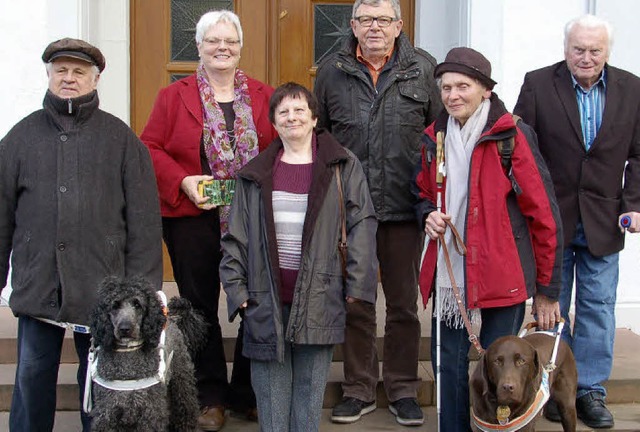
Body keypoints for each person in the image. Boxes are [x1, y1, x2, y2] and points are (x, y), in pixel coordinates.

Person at [0, 38, 162, 432]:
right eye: (61, 71)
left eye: (78, 72)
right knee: (32, 377)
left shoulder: (121, 140)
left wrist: (143, 288)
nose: (69, 79)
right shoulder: (19, 139)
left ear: (95, 79)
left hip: (101, 290)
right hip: (39, 285)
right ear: (49, 75)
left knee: (100, 384)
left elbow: (143, 222)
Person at [140, 9, 277, 431]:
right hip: (192, 218)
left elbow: (282, 148)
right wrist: (181, 181)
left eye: (230, 41)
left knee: (255, 300)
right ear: (198, 47)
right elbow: (150, 147)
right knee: (199, 307)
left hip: (251, 217)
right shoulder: (173, 95)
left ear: (239, 47)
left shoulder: (264, 94)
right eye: (213, 41)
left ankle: (246, 392)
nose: (222, 48)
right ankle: (210, 395)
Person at [413, 47, 563, 432]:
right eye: (446, 87)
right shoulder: (435, 137)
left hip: (502, 278)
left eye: (463, 86)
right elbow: (422, 192)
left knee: (504, 377)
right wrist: (426, 212)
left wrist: (547, 288)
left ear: (485, 90)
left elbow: (543, 214)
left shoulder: (510, 136)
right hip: (451, 280)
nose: (452, 95)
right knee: (448, 369)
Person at [219, 82, 378, 432]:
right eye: (283, 112)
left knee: (308, 401)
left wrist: (356, 287)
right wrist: (239, 294)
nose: (292, 118)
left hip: (320, 296)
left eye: (299, 110)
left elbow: (361, 227)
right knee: (271, 404)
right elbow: (235, 238)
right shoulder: (254, 174)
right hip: (265, 300)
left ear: (314, 117)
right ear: (274, 122)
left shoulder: (342, 166)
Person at [314, 0, 441, 425]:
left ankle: (403, 386)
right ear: (352, 25)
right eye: (366, 20)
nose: (374, 28)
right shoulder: (332, 70)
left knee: (404, 303)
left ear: (398, 26)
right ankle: (359, 388)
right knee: (357, 301)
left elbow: (439, 135)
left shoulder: (423, 68)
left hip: (407, 207)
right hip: (352, 209)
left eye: (383, 20)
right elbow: (321, 137)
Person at [514, 14, 640, 429]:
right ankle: (552, 388)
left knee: (598, 308)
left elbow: (638, 155)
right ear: (565, 48)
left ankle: (589, 392)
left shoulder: (632, 88)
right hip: (552, 218)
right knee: (552, 310)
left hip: (605, 218)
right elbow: (520, 150)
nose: (586, 58)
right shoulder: (537, 83)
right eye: (578, 50)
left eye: (595, 51)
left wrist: (634, 203)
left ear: (607, 51)